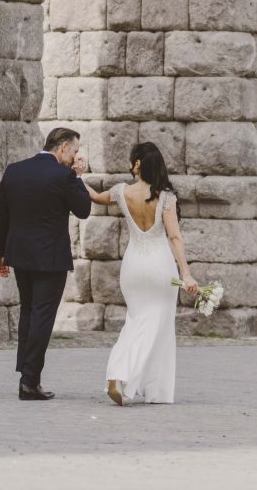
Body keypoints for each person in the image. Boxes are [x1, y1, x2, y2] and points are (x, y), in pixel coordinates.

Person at [82, 142, 199, 405]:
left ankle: (119, 372)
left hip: (133, 266)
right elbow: (175, 237)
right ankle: (147, 386)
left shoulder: (121, 192)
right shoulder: (166, 198)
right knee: (158, 326)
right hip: (160, 267)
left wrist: (77, 176)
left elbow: (94, 196)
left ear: (137, 164)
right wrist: (187, 273)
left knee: (136, 321)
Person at [0, 127, 91, 401]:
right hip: (50, 259)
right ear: (63, 148)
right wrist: (79, 177)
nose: (76, 157)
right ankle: (29, 380)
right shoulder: (65, 175)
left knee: (28, 311)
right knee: (42, 316)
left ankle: (26, 371)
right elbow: (83, 209)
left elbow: (1, 214)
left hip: (20, 255)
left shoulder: (15, 170)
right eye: (75, 151)